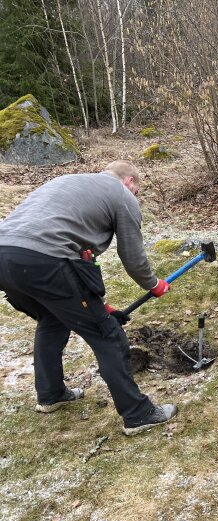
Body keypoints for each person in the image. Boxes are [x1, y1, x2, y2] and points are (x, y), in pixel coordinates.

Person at [0, 160, 177, 436]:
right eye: (137, 191)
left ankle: (51, 394)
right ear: (129, 181)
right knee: (108, 335)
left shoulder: (69, 183)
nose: (136, 196)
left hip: (5, 256)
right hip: (46, 259)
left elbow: (76, 277)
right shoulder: (121, 195)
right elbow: (132, 257)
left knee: (52, 320)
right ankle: (138, 414)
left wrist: (101, 307)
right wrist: (153, 284)